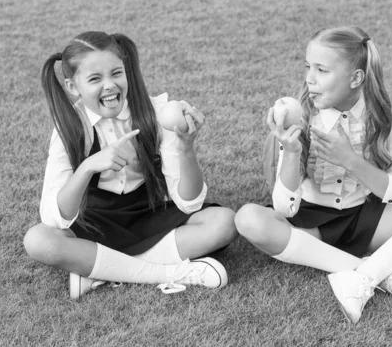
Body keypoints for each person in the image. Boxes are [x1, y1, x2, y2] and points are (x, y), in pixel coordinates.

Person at [235, 26, 392, 324]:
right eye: (308, 67)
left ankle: (365, 277)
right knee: (248, 219)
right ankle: (376, 274)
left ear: (355, 78)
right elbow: (285, 208)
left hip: (367, 221)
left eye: (322, 70)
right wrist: (291, 152)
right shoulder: (299, 116)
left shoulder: (382, 117)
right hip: (312, 227)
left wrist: (350, 161)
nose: (309, 78)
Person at [23, 32, 238, 299]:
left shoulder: (156, 112)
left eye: (116, 73)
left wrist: (185, 147)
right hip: (93, 224)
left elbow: (189, 203)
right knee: (38, 240)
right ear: (72, 86)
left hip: (149, 213)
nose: (110, 85)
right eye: (94, 79)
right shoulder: (69, 127)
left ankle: (100, 270)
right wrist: (88, 167)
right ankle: (170, 274)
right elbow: (54, 216)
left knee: (225, 222)